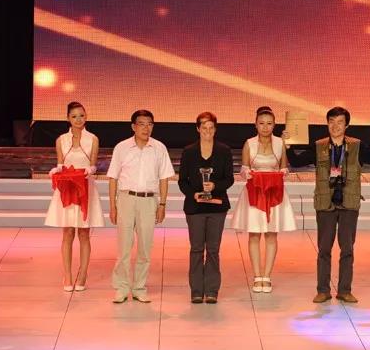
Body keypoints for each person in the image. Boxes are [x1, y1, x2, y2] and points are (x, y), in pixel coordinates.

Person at [288, 106, 370, 304]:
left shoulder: (357, 146)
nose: (335, 126)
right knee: (324, 248)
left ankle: (344, 290)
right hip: (326, 202)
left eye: (340, 122)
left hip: (349, 202)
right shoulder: (319, 146)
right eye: (331, 122)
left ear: (346, 125)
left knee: (347, 249)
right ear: (327, 123)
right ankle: (323, 290)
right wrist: (288, 144)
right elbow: (296, 162)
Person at [107, 109, 175, 303]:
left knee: (145, 248)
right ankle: (121, 288)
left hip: (148, 200)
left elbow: (164, 178)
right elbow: (113, 178)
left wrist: (162, 204)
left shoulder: (159, 148)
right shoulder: (122, 147)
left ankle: (139, 288)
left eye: (149, 124)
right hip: (126, 199)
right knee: (124, 247)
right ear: (133, 126)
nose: (146, 128)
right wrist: (113, 206)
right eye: (142, 124)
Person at [231, 106, 297, 294]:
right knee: (254, 234)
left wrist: (283, 172)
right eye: (261, 123)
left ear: (274, 125)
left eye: (269, 123)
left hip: (274, 193)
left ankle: (267, 276)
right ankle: (257, 275)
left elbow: (284, 167)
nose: (265, 127)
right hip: (255, 192)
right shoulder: (249, 144)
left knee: (271, 234)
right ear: (255, 124)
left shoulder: (280, 143)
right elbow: (244, 168)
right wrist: (247, 174)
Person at [44, 101, 104, 291]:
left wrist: (89, 170)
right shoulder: (61, 140)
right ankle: (68, 275)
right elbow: (60, 163)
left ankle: (83, 274)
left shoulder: (92, 139)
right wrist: (56, 170)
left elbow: (93, 165)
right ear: (68, 118)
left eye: (82, 115)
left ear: (86, 117)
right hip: (68, 188)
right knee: (68, 232)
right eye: (74, 116)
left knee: (84, 233)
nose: (78, 119)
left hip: (85, 186)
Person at [178, 112, 234, 304]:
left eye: (211, 128)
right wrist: (193, 194)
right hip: (195, 208)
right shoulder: (189, 151)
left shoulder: (224, 150)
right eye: (204, 128)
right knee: (196, 249)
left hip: (217, 207)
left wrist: (215, 186)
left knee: (213, 249)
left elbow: (229, 179)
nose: (207, 131)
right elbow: (182, 181)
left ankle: (211, 290)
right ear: (198, 129)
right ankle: (196, 290)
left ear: (215, 129)